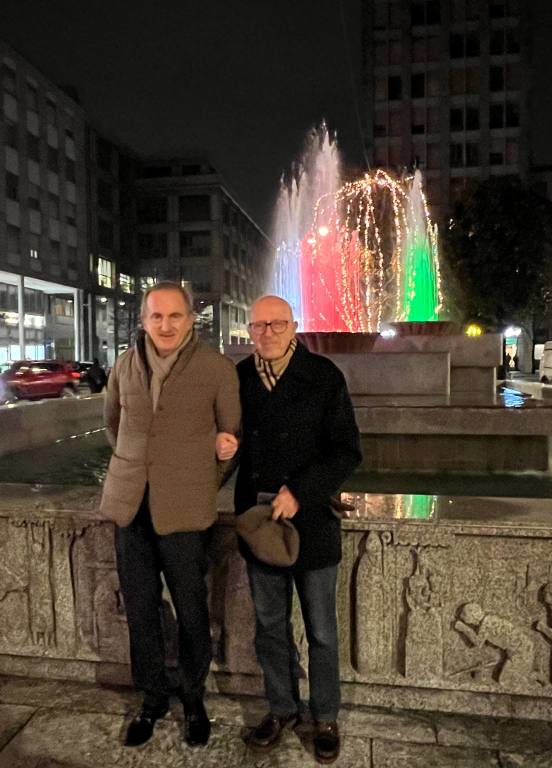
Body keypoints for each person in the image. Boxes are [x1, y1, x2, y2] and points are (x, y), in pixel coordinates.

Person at [99, 281, 241, 749]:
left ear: (190, 318)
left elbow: (230, 441)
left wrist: (201, 478)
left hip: (185, 508)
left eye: (174, 316)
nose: (165, 325)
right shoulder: (124, 364)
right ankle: (153, 697)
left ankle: (193, 696)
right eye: (156, 316)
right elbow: (113, 425)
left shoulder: (217, 369)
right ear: (143, 320)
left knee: (191, 608)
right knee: (139, 609)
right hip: (130, 506)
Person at [235, 295, 362, 764]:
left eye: (277, 324)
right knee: (270, 626)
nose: (266, 332)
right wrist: (225, 449)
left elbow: (348, 451)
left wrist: (300, 491)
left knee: (321, 629)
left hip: (310, 521)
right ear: (250, 330)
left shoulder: (324, 377)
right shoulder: (242, 378)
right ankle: (282, 708)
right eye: (258, 325)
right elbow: (233, 444)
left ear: (294, 328)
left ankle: (325, 714)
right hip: (261, 523)